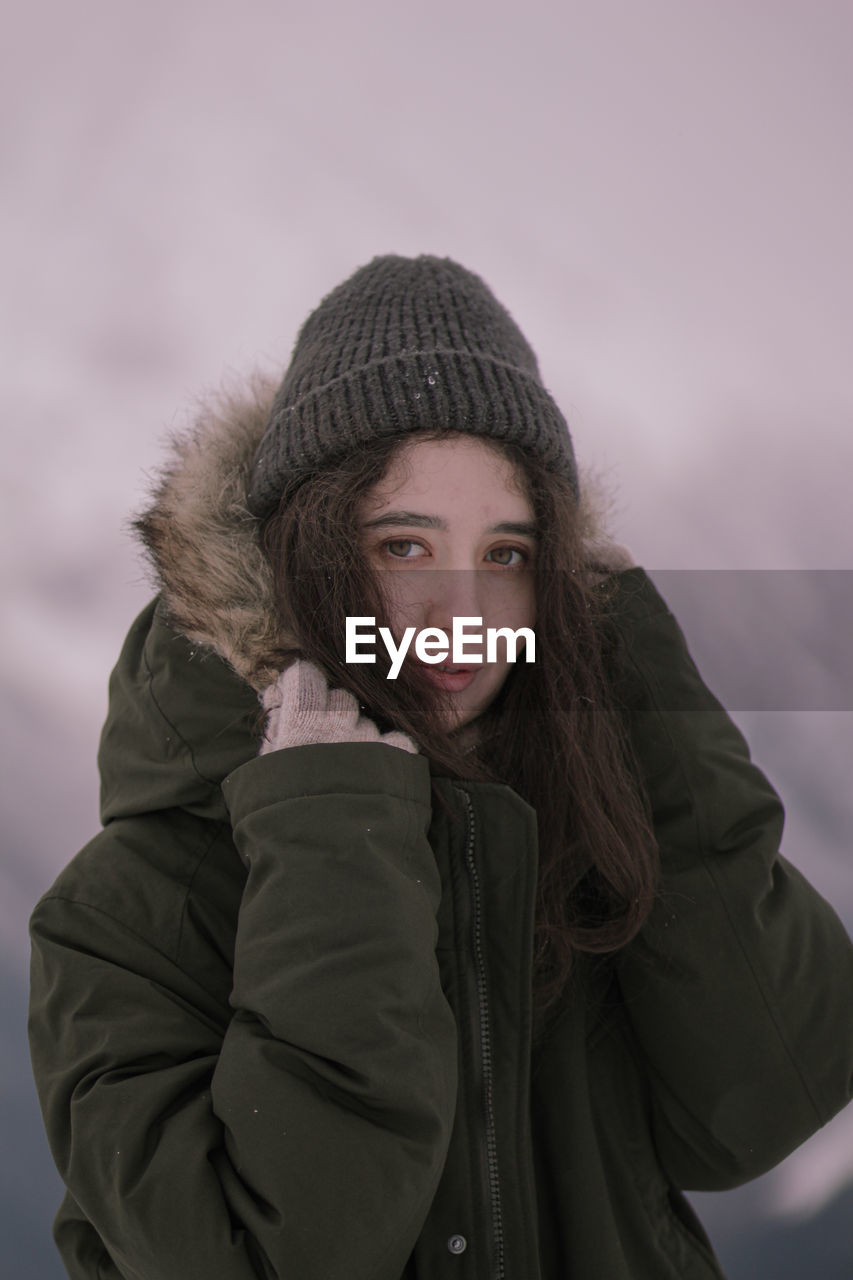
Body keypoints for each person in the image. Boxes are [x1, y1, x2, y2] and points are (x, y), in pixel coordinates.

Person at [28, 255, 853, 1280]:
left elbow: (764, 1099)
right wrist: (329, 835)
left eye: (507, 553)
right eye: (404, 546)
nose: (462, 613)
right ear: (302, 555)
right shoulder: (122, 915)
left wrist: (631, 676)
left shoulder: (576, 825)